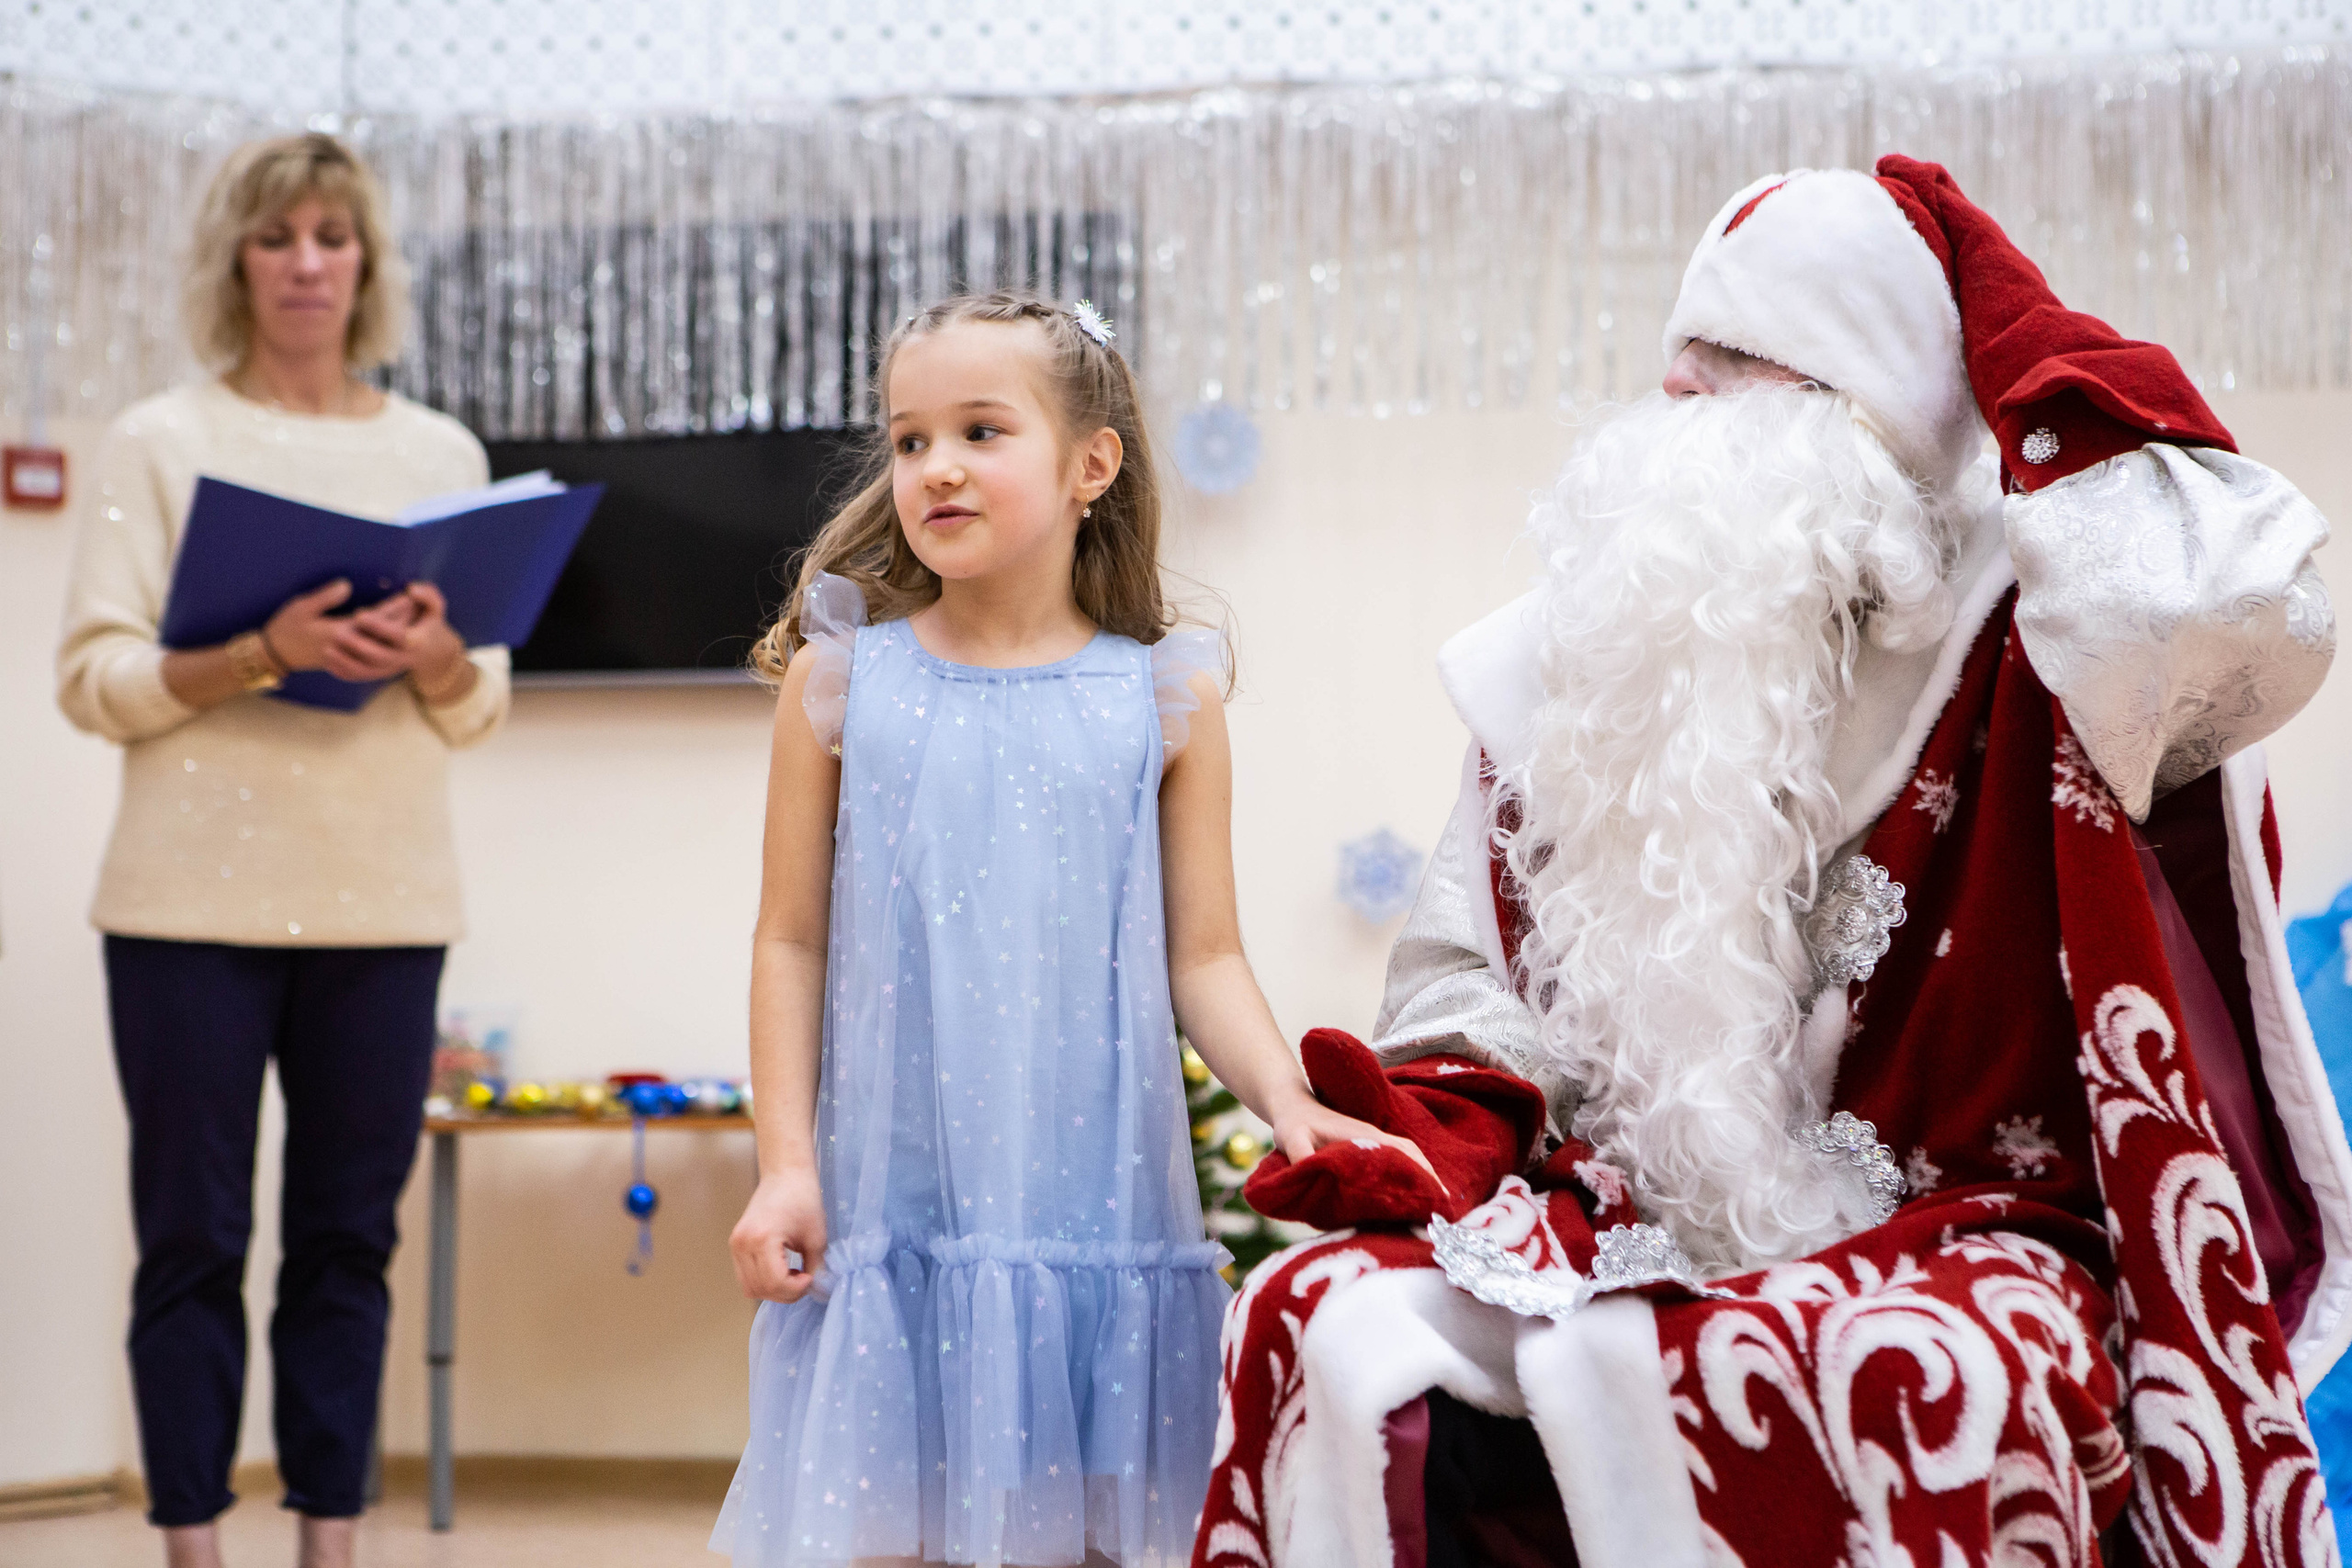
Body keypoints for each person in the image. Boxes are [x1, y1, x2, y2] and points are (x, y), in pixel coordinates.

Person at [1198, 158, 2352, 1567]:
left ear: (1873, 418)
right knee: (1316, 1312)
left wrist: (2028, 350)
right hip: (1615, 1212)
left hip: (1961, 1218)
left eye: (1735, 363)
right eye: (1677, 359)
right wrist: (1441, 1125)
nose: (1679, 398)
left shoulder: (2044, 627)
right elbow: (1471, 977)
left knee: (1918, 1373)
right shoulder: (1575, 653)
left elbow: (2250, 605)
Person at [712, 293, 1425, 1567]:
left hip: (1092, 1208)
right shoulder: (842, 684)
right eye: (910, 438)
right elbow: (790, 941)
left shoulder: (1162, 695)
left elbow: (1203, 954)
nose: (935, 467)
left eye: (981, 431)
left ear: (1090, 463)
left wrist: (1286, 1099)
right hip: (897, 1203)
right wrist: (785, 1163)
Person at [54, 133, 507, 1568]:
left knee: (346, 1245)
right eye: (277, 237)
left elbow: (480, 701)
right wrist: (260, 652)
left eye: (331, 235)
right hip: (183, 910)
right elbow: (92, 680)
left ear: (366, 261)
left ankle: (331, 1544)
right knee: (191, 1242)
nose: (307, 262)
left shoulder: (442, 455)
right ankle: (191, 1540)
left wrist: (435, 654)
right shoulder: (157, 440)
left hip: (387, 910)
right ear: (236, 262)